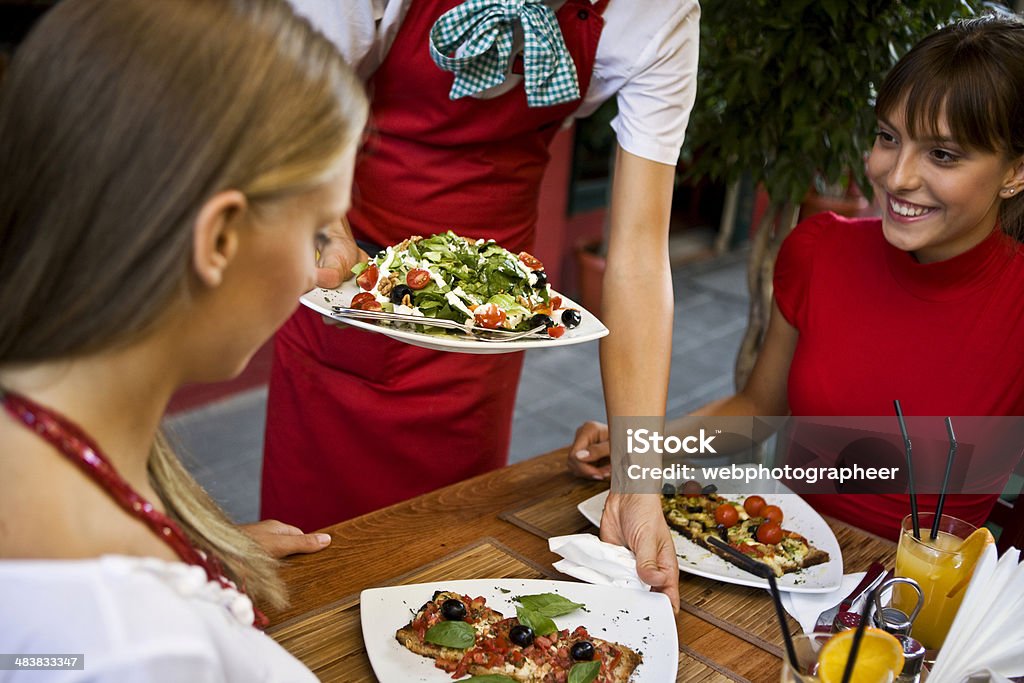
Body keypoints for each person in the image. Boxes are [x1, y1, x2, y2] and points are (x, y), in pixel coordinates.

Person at [262, 0, 699, 605]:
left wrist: (637, 483)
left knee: (441, 557)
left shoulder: (659, 14)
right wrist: (320, 217)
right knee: (311, 569)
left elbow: (640, 256)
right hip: (354, 279)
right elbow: (289, 86)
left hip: (489, 317)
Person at [0, 0, 367, 678]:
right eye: (319, 232)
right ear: (220, 238)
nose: (320, 275)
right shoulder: (136, 645)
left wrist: (199, 561)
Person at [571, 13, 1024, 541]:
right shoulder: (820, 251)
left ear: (1015, 172)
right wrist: (642, 450)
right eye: (888, 137)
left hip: (913, 605)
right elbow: (758, 409)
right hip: (776, 562)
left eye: (942, 154)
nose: (898, 176)